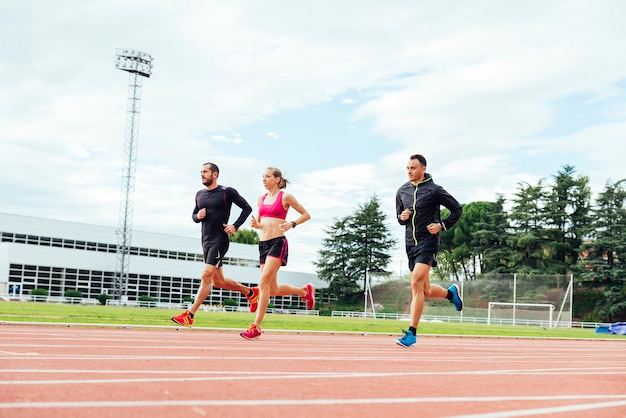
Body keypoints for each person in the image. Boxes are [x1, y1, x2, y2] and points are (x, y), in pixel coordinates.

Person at [171, 162, 259, 327]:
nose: (202, 175)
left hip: (220, 240)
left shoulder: (227, 192)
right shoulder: (199, 195)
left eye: (205, 172)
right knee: (219, 282)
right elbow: (193, 215)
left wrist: (235, 226)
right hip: (205, 241)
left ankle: (189, 315)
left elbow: (247, 208)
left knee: (205, 276)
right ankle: (250, 292)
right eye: (201, 172)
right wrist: (198, 216)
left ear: (215, 174)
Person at [395, 154, 463, 347]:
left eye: (413, 168)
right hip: (410, 244)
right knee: (423, 290)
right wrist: (402, 217)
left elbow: (457, 209)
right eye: (408, 168)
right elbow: (399, 219)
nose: (410, 171)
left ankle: (411, 333)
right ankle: (451, 294)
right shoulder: (402, 191)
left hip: (428, 242)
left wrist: (442, 225)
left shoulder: (435, 190)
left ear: (423, 169)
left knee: (415, 282)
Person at [240, 167, 315, 339]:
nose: (264, 179)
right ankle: (304, 292)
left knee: (263, 282)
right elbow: (259, 222)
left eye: (267, 176)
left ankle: (256, 326)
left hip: (277, 242)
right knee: (271, 289)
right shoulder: (261, 199)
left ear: (277, 179)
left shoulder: (285, 197)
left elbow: (306, 214)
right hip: (263, 244)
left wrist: (292, 224)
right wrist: (257, 226)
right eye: (263, 177)